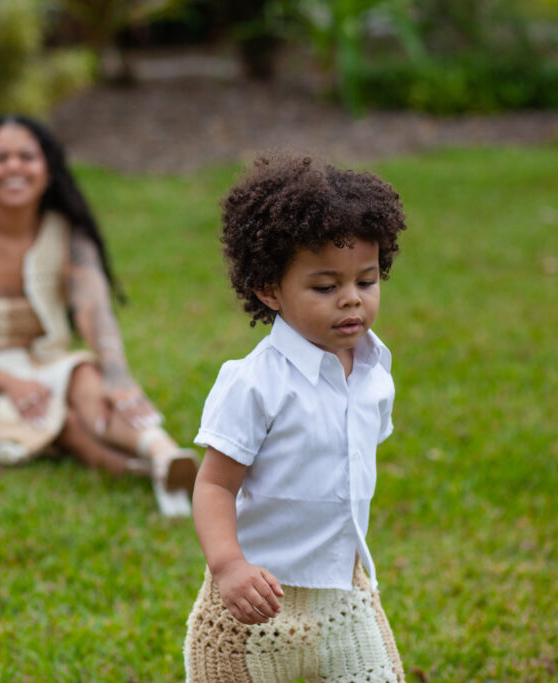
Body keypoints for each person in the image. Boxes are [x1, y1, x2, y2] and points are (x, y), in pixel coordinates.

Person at [184, 154, 408, 681]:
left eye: (367, 281)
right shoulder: (255, 382)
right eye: (326, 287)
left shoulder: (375, 369)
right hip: (254, 603)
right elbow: (214, 486)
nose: (351, 300)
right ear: (269, 289)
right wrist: (229, 567)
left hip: (345, 595)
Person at [0, 115, 197, 516]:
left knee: (86, 376)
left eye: (27, 156)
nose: (13, 167)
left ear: (48, 169)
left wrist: (117, 375)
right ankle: (145, 474)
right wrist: (8, 383)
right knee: (64, 423)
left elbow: (94, 310)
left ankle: (163, 452)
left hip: (44, 365)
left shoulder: (67, 234)